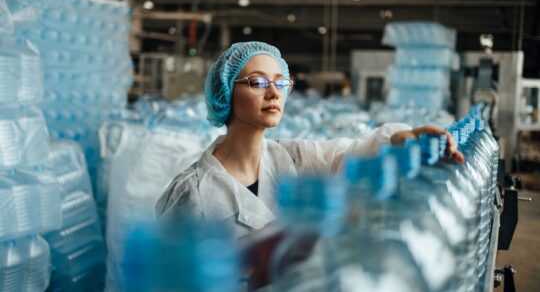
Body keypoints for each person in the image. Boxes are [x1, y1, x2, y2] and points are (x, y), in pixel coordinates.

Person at [154, 41, 464, 239]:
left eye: (280, 82)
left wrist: (404, 138)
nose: (274, 92)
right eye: (258, 82)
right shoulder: (192, 194)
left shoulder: (288, 158)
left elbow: (349, 155)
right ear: (225, 92)